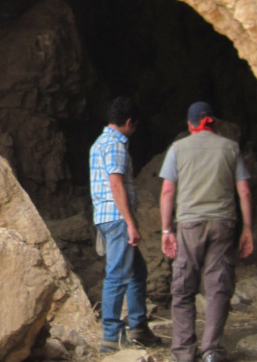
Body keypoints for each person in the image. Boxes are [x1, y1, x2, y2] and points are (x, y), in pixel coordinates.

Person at [159, 101, 254, 362]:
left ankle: (184, 352)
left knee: (183, 288)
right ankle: (211, 350)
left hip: (189, 225)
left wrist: (166, 230)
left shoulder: (178, 148)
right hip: (223, 224)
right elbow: (244, 191)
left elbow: (167, 191)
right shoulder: (230, 147)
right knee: (218, 287)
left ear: (189, 124)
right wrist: (247, 228)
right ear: (214, 122)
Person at [90, 96, 161, 353]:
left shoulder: (99, 143)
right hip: (118, 218)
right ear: (130, 122)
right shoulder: (115, 145)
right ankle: (112, 336)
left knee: (136, 272)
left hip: (105, 216)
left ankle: (139, 327)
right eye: (135, 125)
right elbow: (116, 184)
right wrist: (131, 222)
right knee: (118, 275)